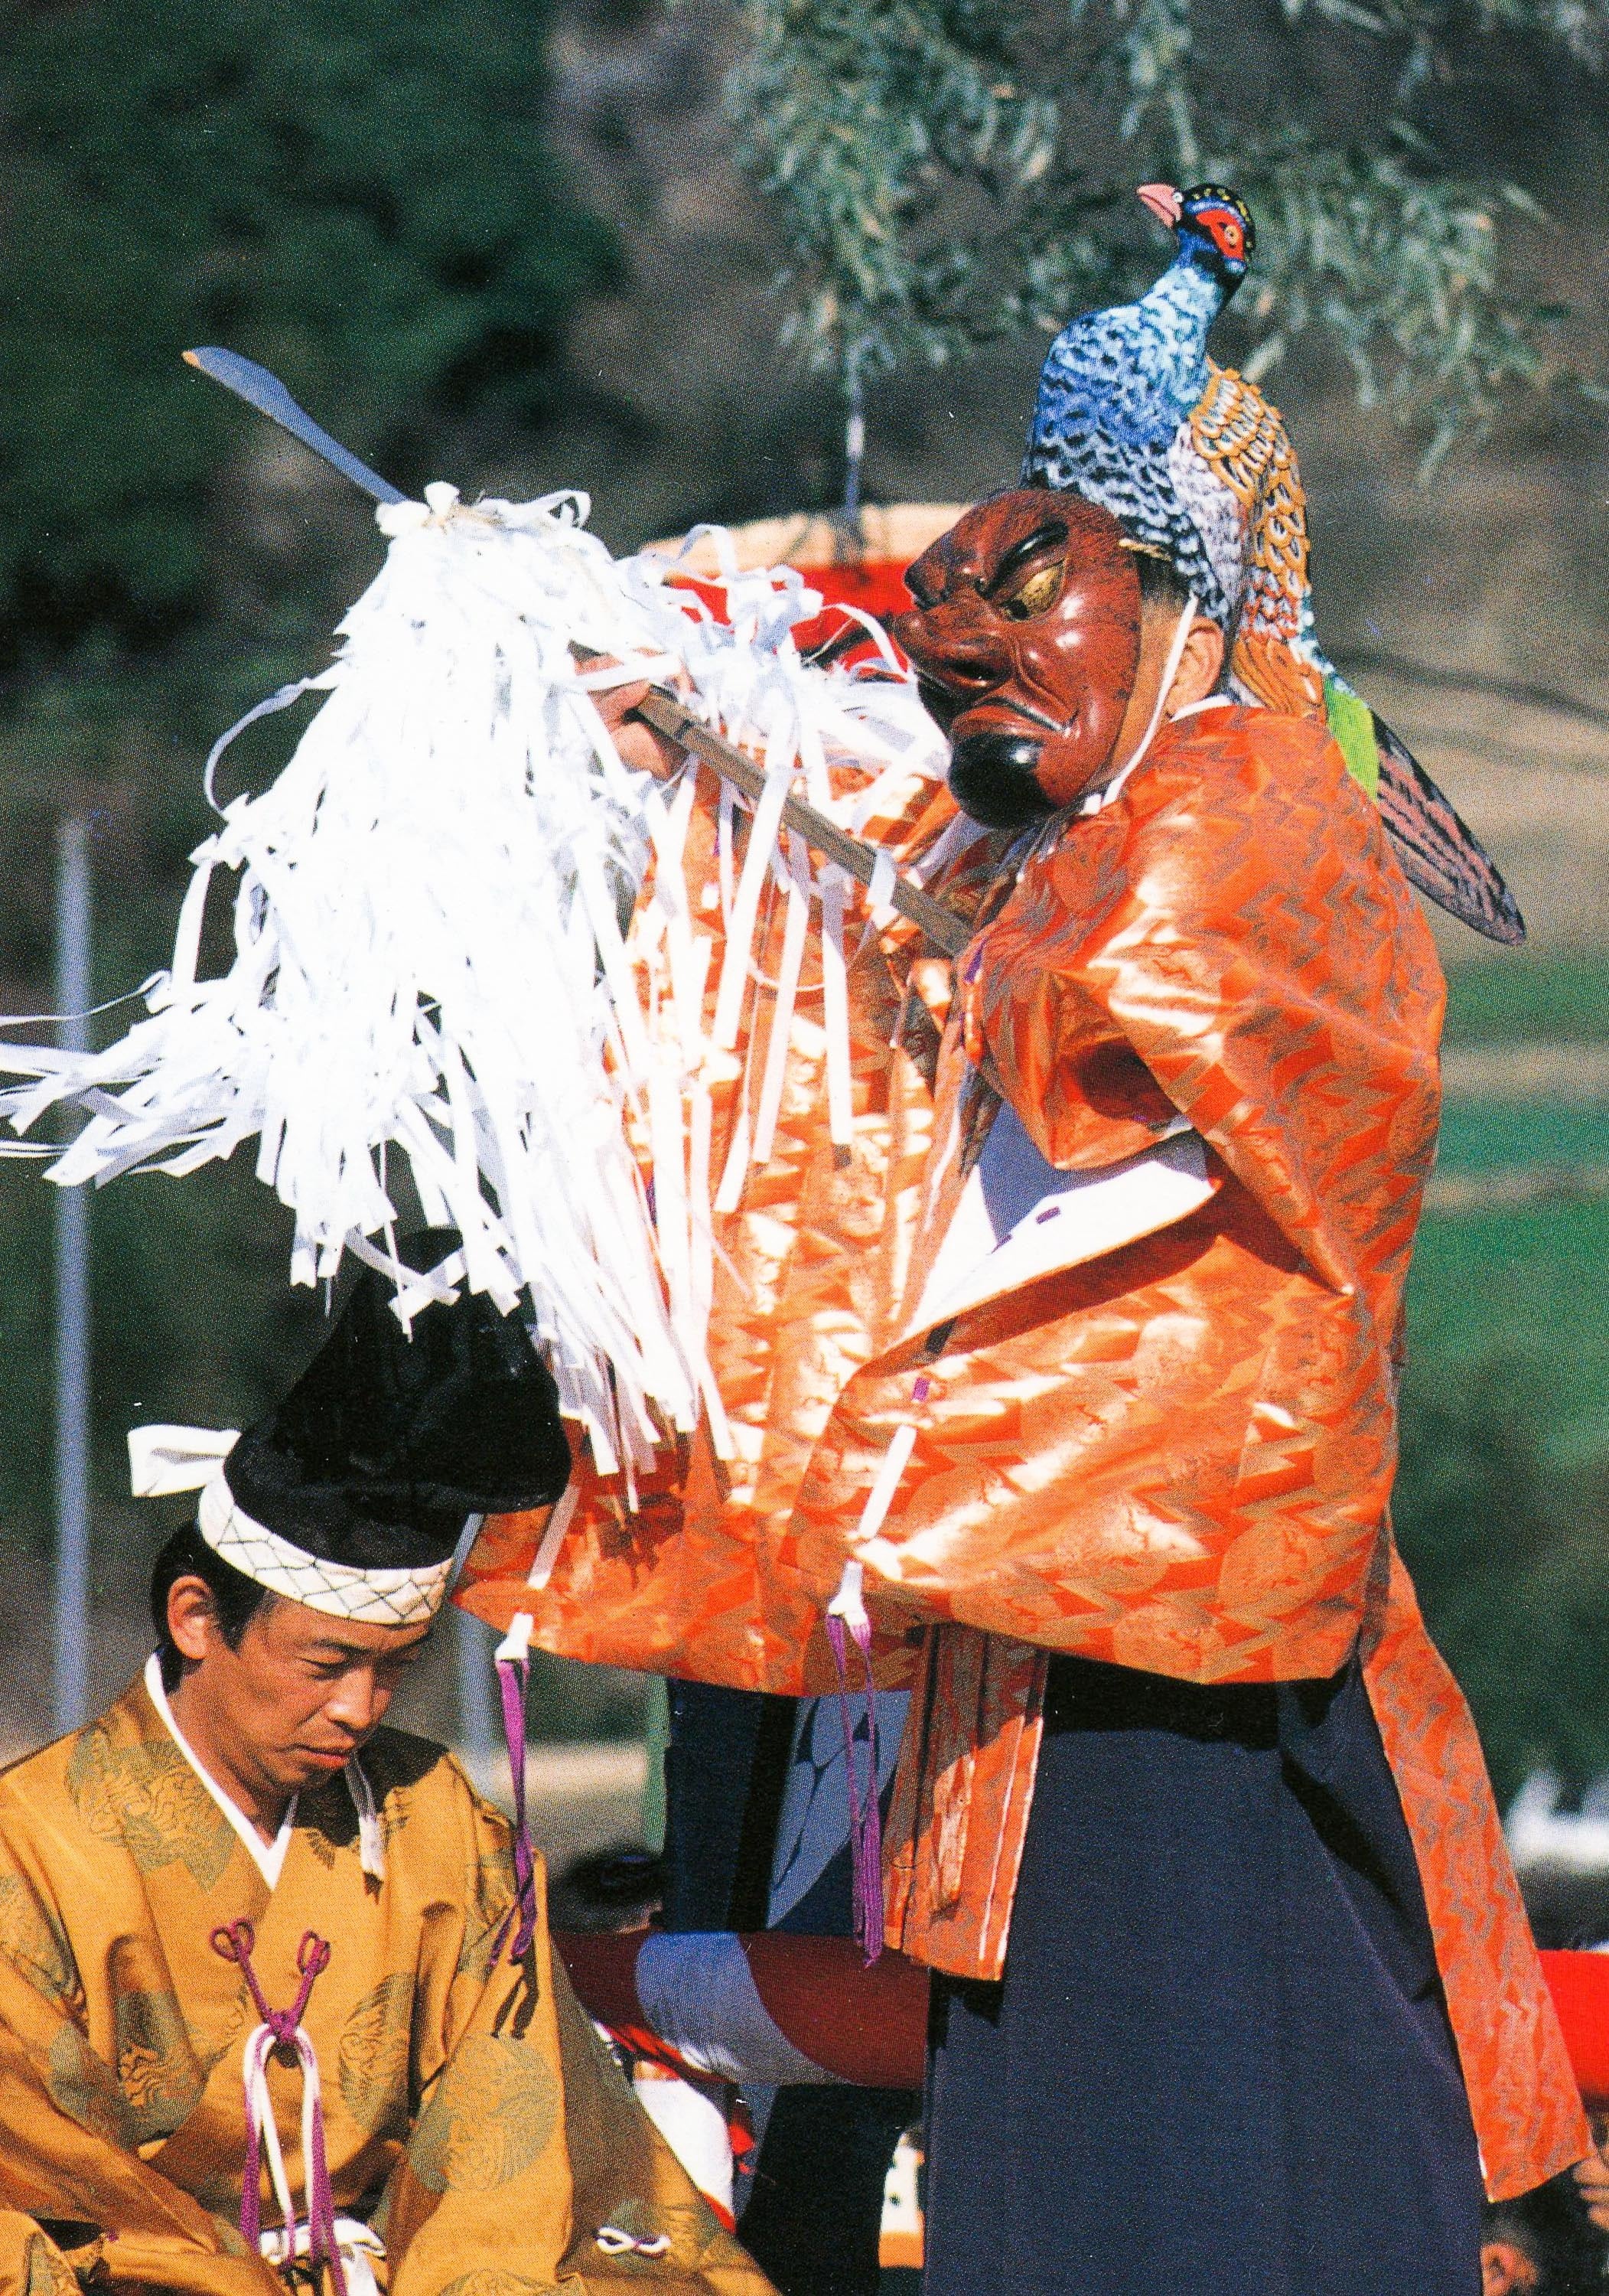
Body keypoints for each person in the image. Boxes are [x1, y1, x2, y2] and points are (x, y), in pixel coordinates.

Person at [0, 1236, 773, 2296]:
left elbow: (513, 2139)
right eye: (327, 1664)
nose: (360, 1711)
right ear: (196, 1620)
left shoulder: (436, 1820)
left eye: (394, 1671)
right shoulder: (29, 1847)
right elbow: (39, 2186)